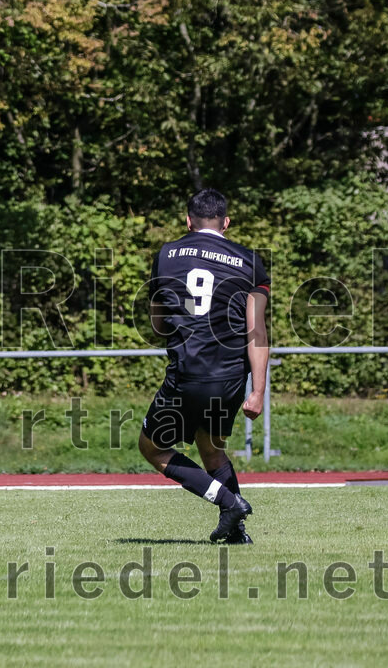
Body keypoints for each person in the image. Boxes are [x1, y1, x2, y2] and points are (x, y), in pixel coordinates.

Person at [140, 188, 270, 543]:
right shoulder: (250, 261)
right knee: (211, 447)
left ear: (187, 221)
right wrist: (257, 391)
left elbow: (157, 324)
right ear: (226, 222)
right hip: (229, 379)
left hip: (187, 374)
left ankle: (230, 503)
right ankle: (236, 533)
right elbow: (256, 330)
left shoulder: (166, 255)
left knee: (153, 448)